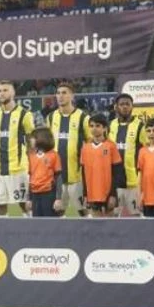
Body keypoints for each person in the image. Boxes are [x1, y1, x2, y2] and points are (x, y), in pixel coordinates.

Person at [0, 80, 36, 216]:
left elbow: (31, 142)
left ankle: (33, 234)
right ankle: (4, 236)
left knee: (25, 204)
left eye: (5, 90)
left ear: (13, 92)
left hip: (18, 168)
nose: (1, 94)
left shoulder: (24, 115)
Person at [47, 81, 90, 217]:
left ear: (72, 96)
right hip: (57, 176)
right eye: (58, 93)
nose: (60, 96)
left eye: (64, 93)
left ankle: (90, 237)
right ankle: (63, 238)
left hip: (77, 176)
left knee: (83, 211)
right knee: (58, 212)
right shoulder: (51, 117)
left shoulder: (83, 117)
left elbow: (90, 144)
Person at [81, 113, 124, 217]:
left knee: (111, 224)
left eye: (97, 126)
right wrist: (85, 195)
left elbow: (117, 172)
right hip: (92, 194)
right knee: (96, 225)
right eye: (91, 126)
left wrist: (113, 194)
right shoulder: (85, 148)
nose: (94, 128)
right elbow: (84, 173)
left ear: (105, 128)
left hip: (108, 194)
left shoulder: (111, 146)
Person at [108, 93, 144, 217]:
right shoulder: (111, 125)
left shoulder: (140, 126)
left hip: (133, 182)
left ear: (132, 106)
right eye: (121, 104)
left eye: (127, 104)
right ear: (116, 107)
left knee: (137, 218)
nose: (124, 107)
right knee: (113, 218)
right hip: (115, 183)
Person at [28, 127, 63, 218]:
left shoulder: (53, 155)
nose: (31, 140)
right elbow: (31, 177)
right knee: (37, 222)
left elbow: (58, 177)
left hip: (48, 194)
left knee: (50, 221)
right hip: (35, 194)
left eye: (33, 137)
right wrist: (29, 198)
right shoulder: (31, 155)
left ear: (41, 138)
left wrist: (58, 198)